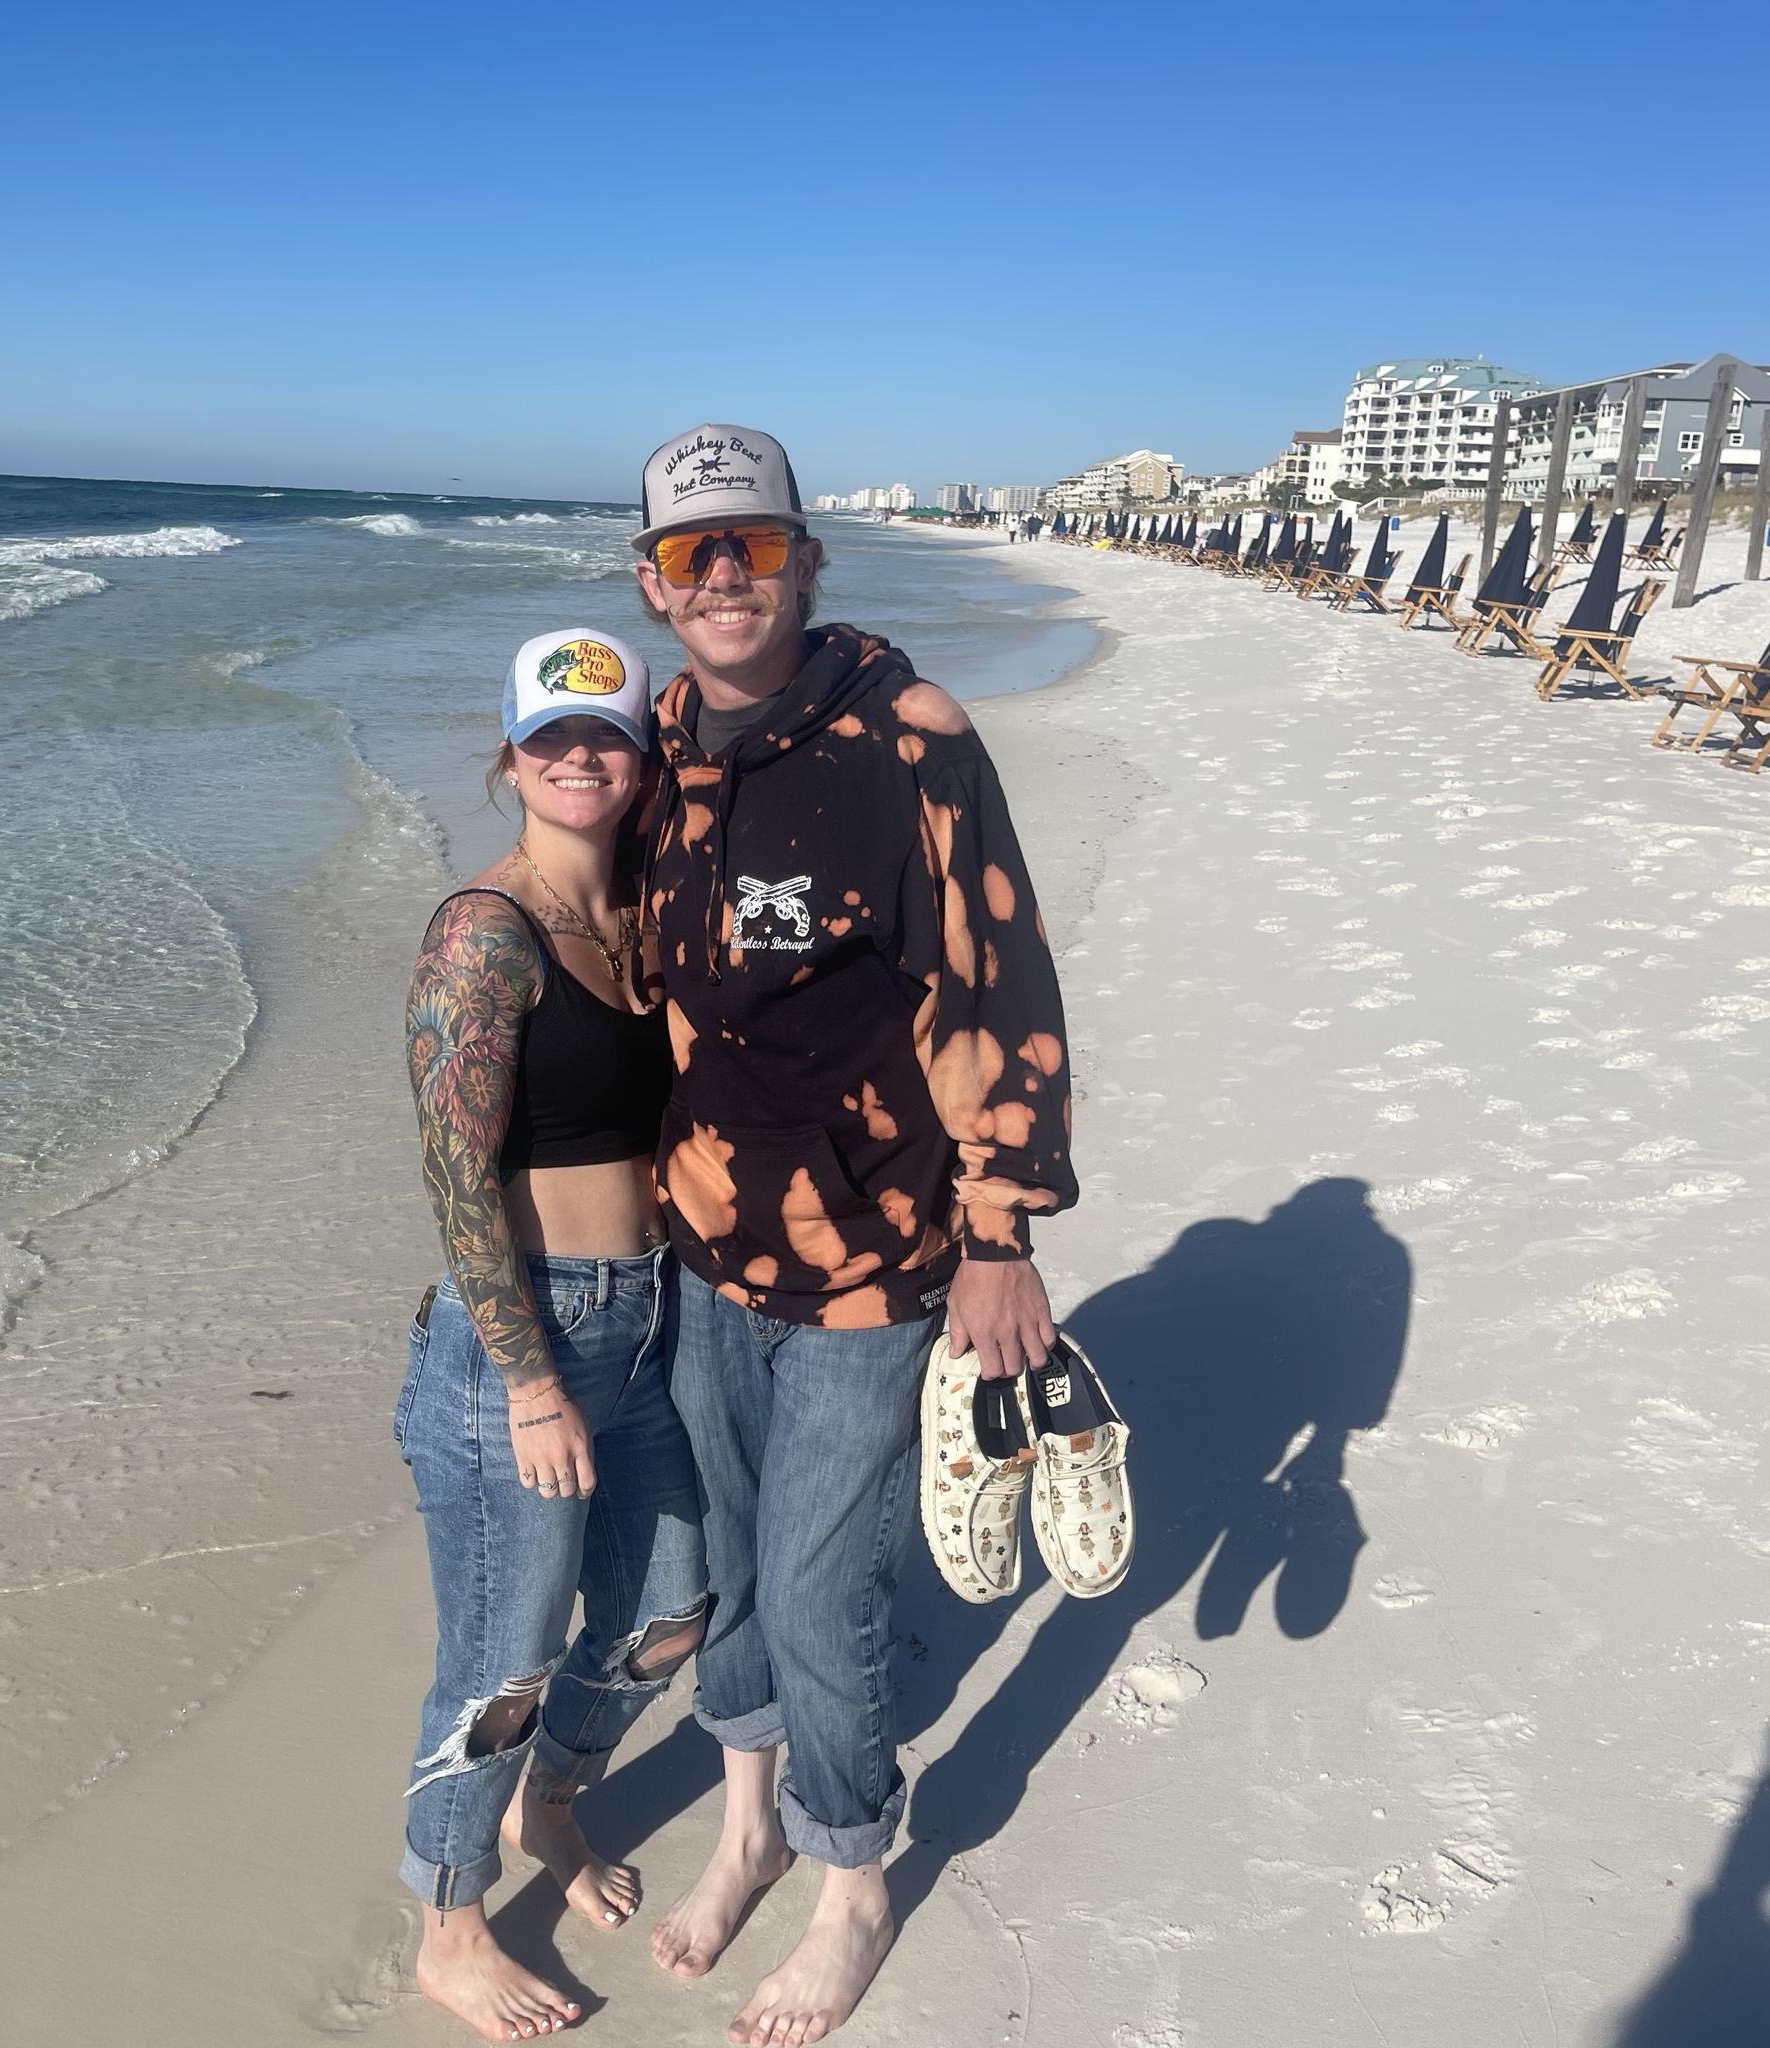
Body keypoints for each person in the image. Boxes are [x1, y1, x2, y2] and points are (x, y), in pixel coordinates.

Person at [629, 426, 1078, 2046]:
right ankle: (748, 1826)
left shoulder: (911, 736)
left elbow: (998, 979)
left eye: (752, 545)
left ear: (807, 560)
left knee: (822, 1594)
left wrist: (1001, 1230)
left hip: (875, 1257)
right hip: (703, 1244)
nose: (724, 576)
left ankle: (851, 1878)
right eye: (690, 553)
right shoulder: (656, 742)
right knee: (731, 1566)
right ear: (652, 585)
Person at [396, 628, 708, 2043]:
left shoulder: (638, 917)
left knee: (670, 1611)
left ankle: (549, 1805)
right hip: (522, 1341)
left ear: (640, 758)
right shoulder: (486, 931)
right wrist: (529, 1381)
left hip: (647, 1318)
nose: (580, 757)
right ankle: (448, 1923)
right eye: (551, 737)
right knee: (503, 1658)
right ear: (511, 756)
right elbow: (456, 1175)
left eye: (606, 735)